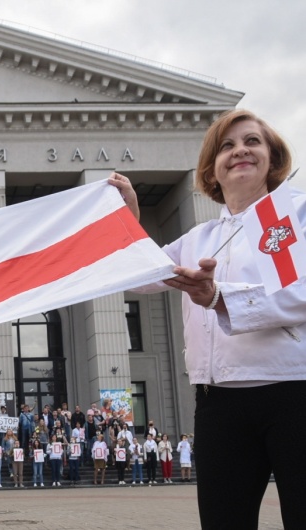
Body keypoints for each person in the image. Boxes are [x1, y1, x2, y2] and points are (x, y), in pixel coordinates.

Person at [111, 109, 306, 528]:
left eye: (252, 142)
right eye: (227, 146)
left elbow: (299, 295)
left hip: (293, 394)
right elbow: (141, 277)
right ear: (212, 171)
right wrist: (127, 221)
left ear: (271, 158)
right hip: (218, 404)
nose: (240, 151)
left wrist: (219, 297)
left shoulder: (294, 215)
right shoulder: (200, 238)